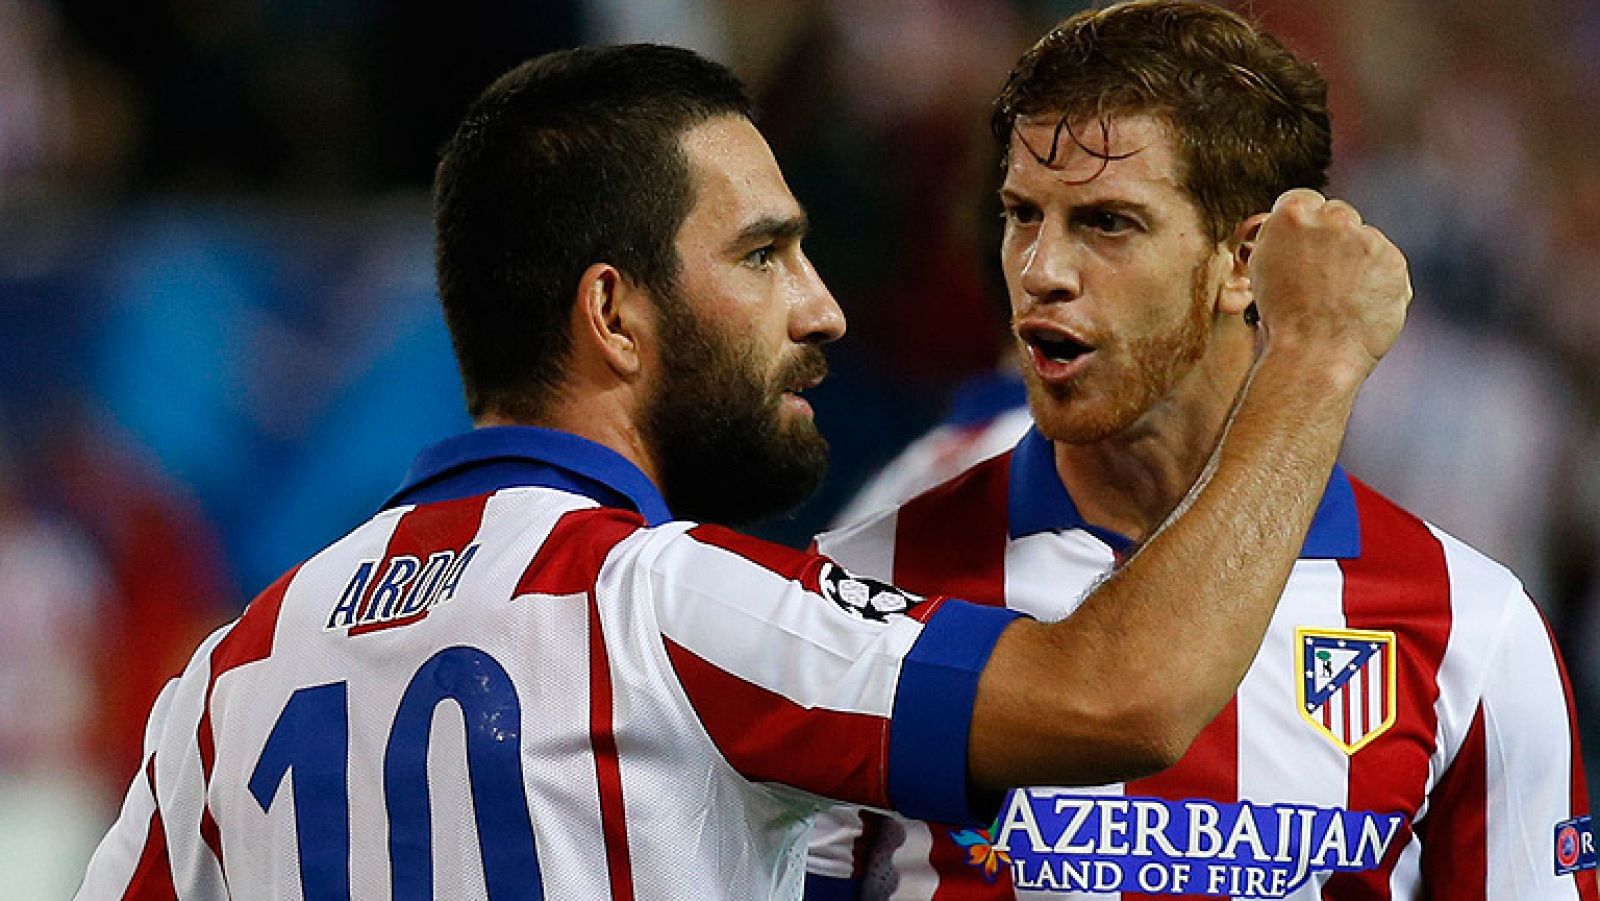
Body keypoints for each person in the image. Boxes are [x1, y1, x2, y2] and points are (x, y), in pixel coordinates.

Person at [76, 41, 1409, 899]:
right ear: (617, 313)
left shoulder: (231, 675)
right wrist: (1311, 362)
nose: (822, 310)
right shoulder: (671, 605)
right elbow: (1130, 697)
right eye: (765, 256)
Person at [804, 3, 1594, 899]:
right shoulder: (867, 582)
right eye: (1023, 214)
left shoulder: (1469, 626)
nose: (1039, 271)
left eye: (1107, 222)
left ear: (1242, 261)